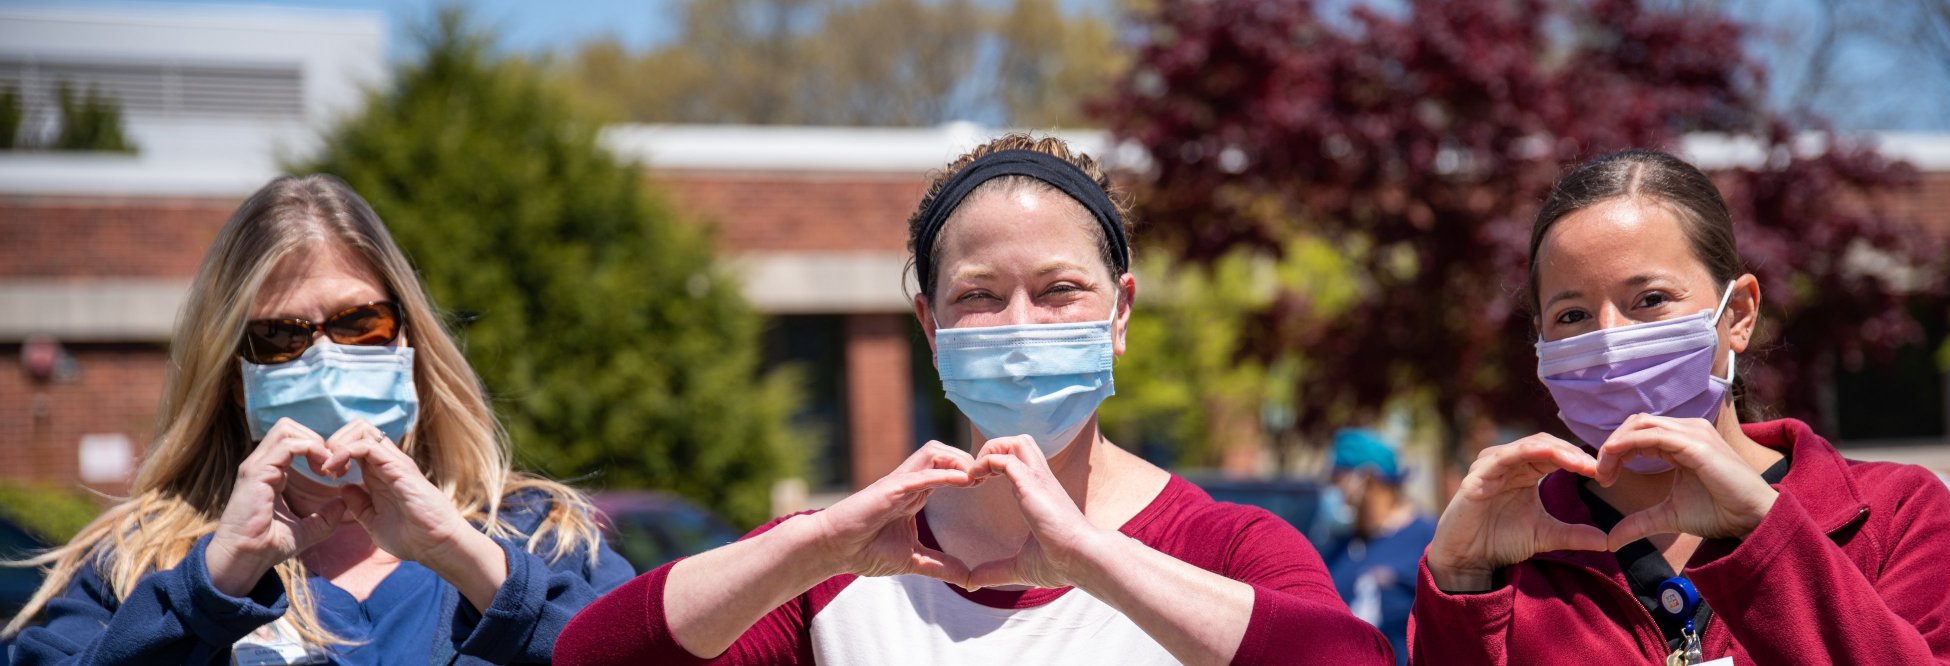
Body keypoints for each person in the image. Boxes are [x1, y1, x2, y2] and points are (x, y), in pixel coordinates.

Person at [554, 134, 1393, 665]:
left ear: (1120, 312)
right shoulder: (850, 560)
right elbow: (592, 656)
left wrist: (1091, 558)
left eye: (1061, 289)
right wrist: (810, 548)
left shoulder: (1225, 546)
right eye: (979, 295)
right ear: (930, 322)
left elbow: (1350, 660)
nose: (1020, 326)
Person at [3, 175, 634, 665]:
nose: (327, 360)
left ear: (410, 343)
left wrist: (470, 562)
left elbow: (650, 652)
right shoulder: (135, 563)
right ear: (233, 378)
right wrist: (208, 589)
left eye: (361, 324)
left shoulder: (544, 538)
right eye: (281, 335)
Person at [1410, 149, 1950, 664]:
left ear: (1738, 313)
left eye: (1650, 300)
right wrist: (1461, 585)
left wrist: (1767, 538)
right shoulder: (1507, 550)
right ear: (1539, 340)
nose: (1611, 340)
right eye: (1572, 316)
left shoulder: (1896, 517)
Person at [1321, 428, 1434, 666]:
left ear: (1368, 478)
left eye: (1338, 478)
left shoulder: (1428, 541)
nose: (1333, 490)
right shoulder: (1339, 548)